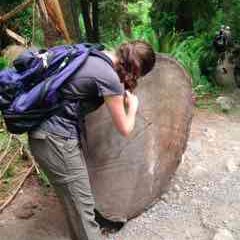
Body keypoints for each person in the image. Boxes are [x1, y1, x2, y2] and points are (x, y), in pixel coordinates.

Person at [28, 40, 156, 240]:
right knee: (83, 208)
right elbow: (125, 128)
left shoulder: (96, 55)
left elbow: (85, 86)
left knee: (75, 206)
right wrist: (133, 107)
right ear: (137, 69)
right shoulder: (109, 78)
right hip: (56, 141)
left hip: (44, 135)